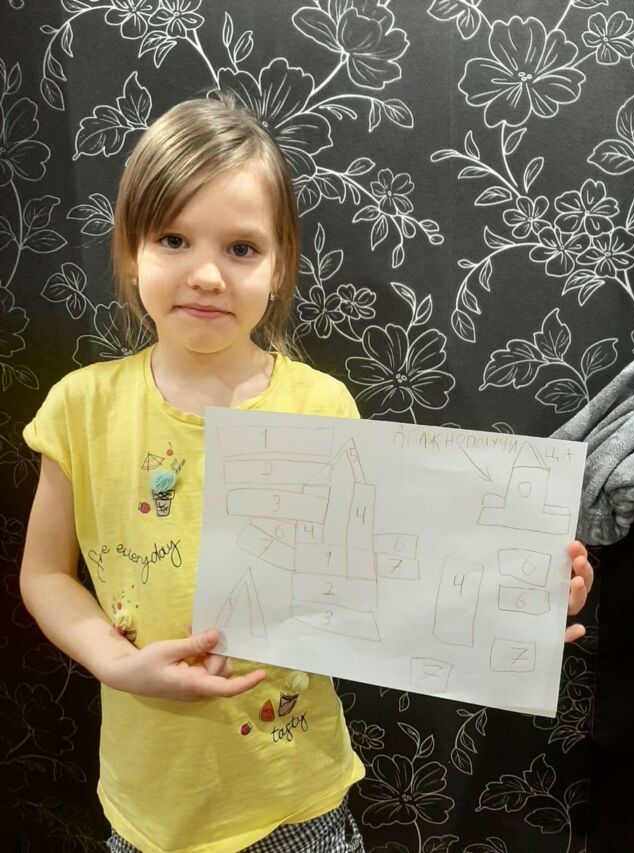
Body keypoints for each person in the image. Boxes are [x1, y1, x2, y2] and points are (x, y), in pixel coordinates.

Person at [19, 94, 594, 853]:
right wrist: (118, 665)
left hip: (296, 794)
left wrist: (514, 601)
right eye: (173, 239)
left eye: (241, 248)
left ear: (280, 265)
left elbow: (378, 583)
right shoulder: (80, 408)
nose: (207, 275)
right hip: (152, 801)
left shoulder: (320, 406)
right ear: (131, 252)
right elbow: (44, 574)